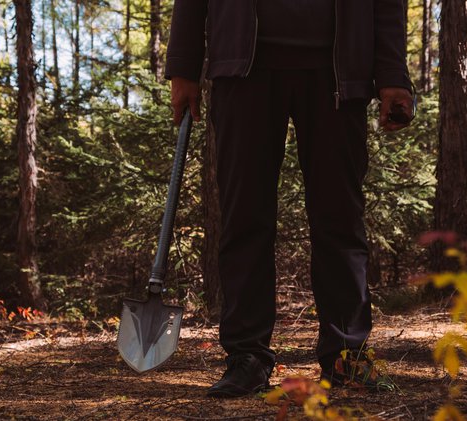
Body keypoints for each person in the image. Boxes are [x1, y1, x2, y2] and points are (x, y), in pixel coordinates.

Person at [165, 0, 414, 398]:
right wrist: (183, 66)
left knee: (340, 220)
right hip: (243, 69)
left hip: (337, 74)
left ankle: (347, 355)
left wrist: (393, 75)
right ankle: (246, 357)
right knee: (244, 218)